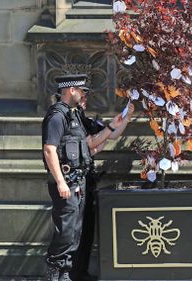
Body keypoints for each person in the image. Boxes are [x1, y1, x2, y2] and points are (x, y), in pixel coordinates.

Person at [42, 74, 131, 281]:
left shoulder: (75, 116)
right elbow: (49, 150)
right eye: (81, 91)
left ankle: (67, 274)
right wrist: (61, 182)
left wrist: (118, 122)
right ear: (71, 90)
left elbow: (90, 144)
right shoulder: (57, 116)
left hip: (78, 181)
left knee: (74, 233)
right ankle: (55, 275)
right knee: (65, 232)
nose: (84, 95)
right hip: (66, 182)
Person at [71, 90, 135, 281]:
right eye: (81, 98)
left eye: (85, 99)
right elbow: (90, 143)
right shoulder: (69, 120)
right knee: (77, 232)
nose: (85, 102)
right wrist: (107, 130)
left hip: (89, 179)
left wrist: (126, 117)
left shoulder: (86, 120)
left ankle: (82, 272)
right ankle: (73, 273)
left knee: (88, 229)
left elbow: (111, 135)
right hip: (76, 181)